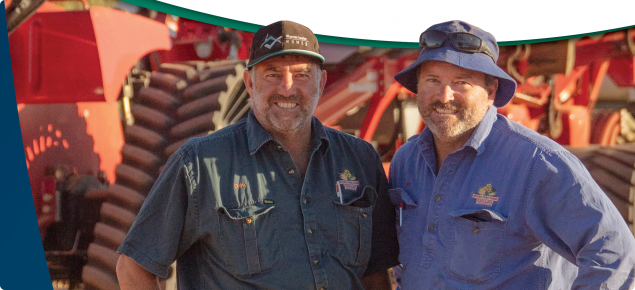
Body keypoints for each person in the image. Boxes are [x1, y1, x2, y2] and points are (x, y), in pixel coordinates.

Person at [115, 20, 399, 290]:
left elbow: (375, 276)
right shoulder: (200, 165)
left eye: (301, 75)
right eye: (272, 74)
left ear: (321, 83)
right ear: (250, 82)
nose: (287, 88)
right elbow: (133, 268)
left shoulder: (360, 160)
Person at [388, 20, 635, 289]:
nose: (445, 96)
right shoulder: (407, 161)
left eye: (462, 82)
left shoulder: (537, 163)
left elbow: (615, 255)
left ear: (491, 91)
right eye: (432, 80)